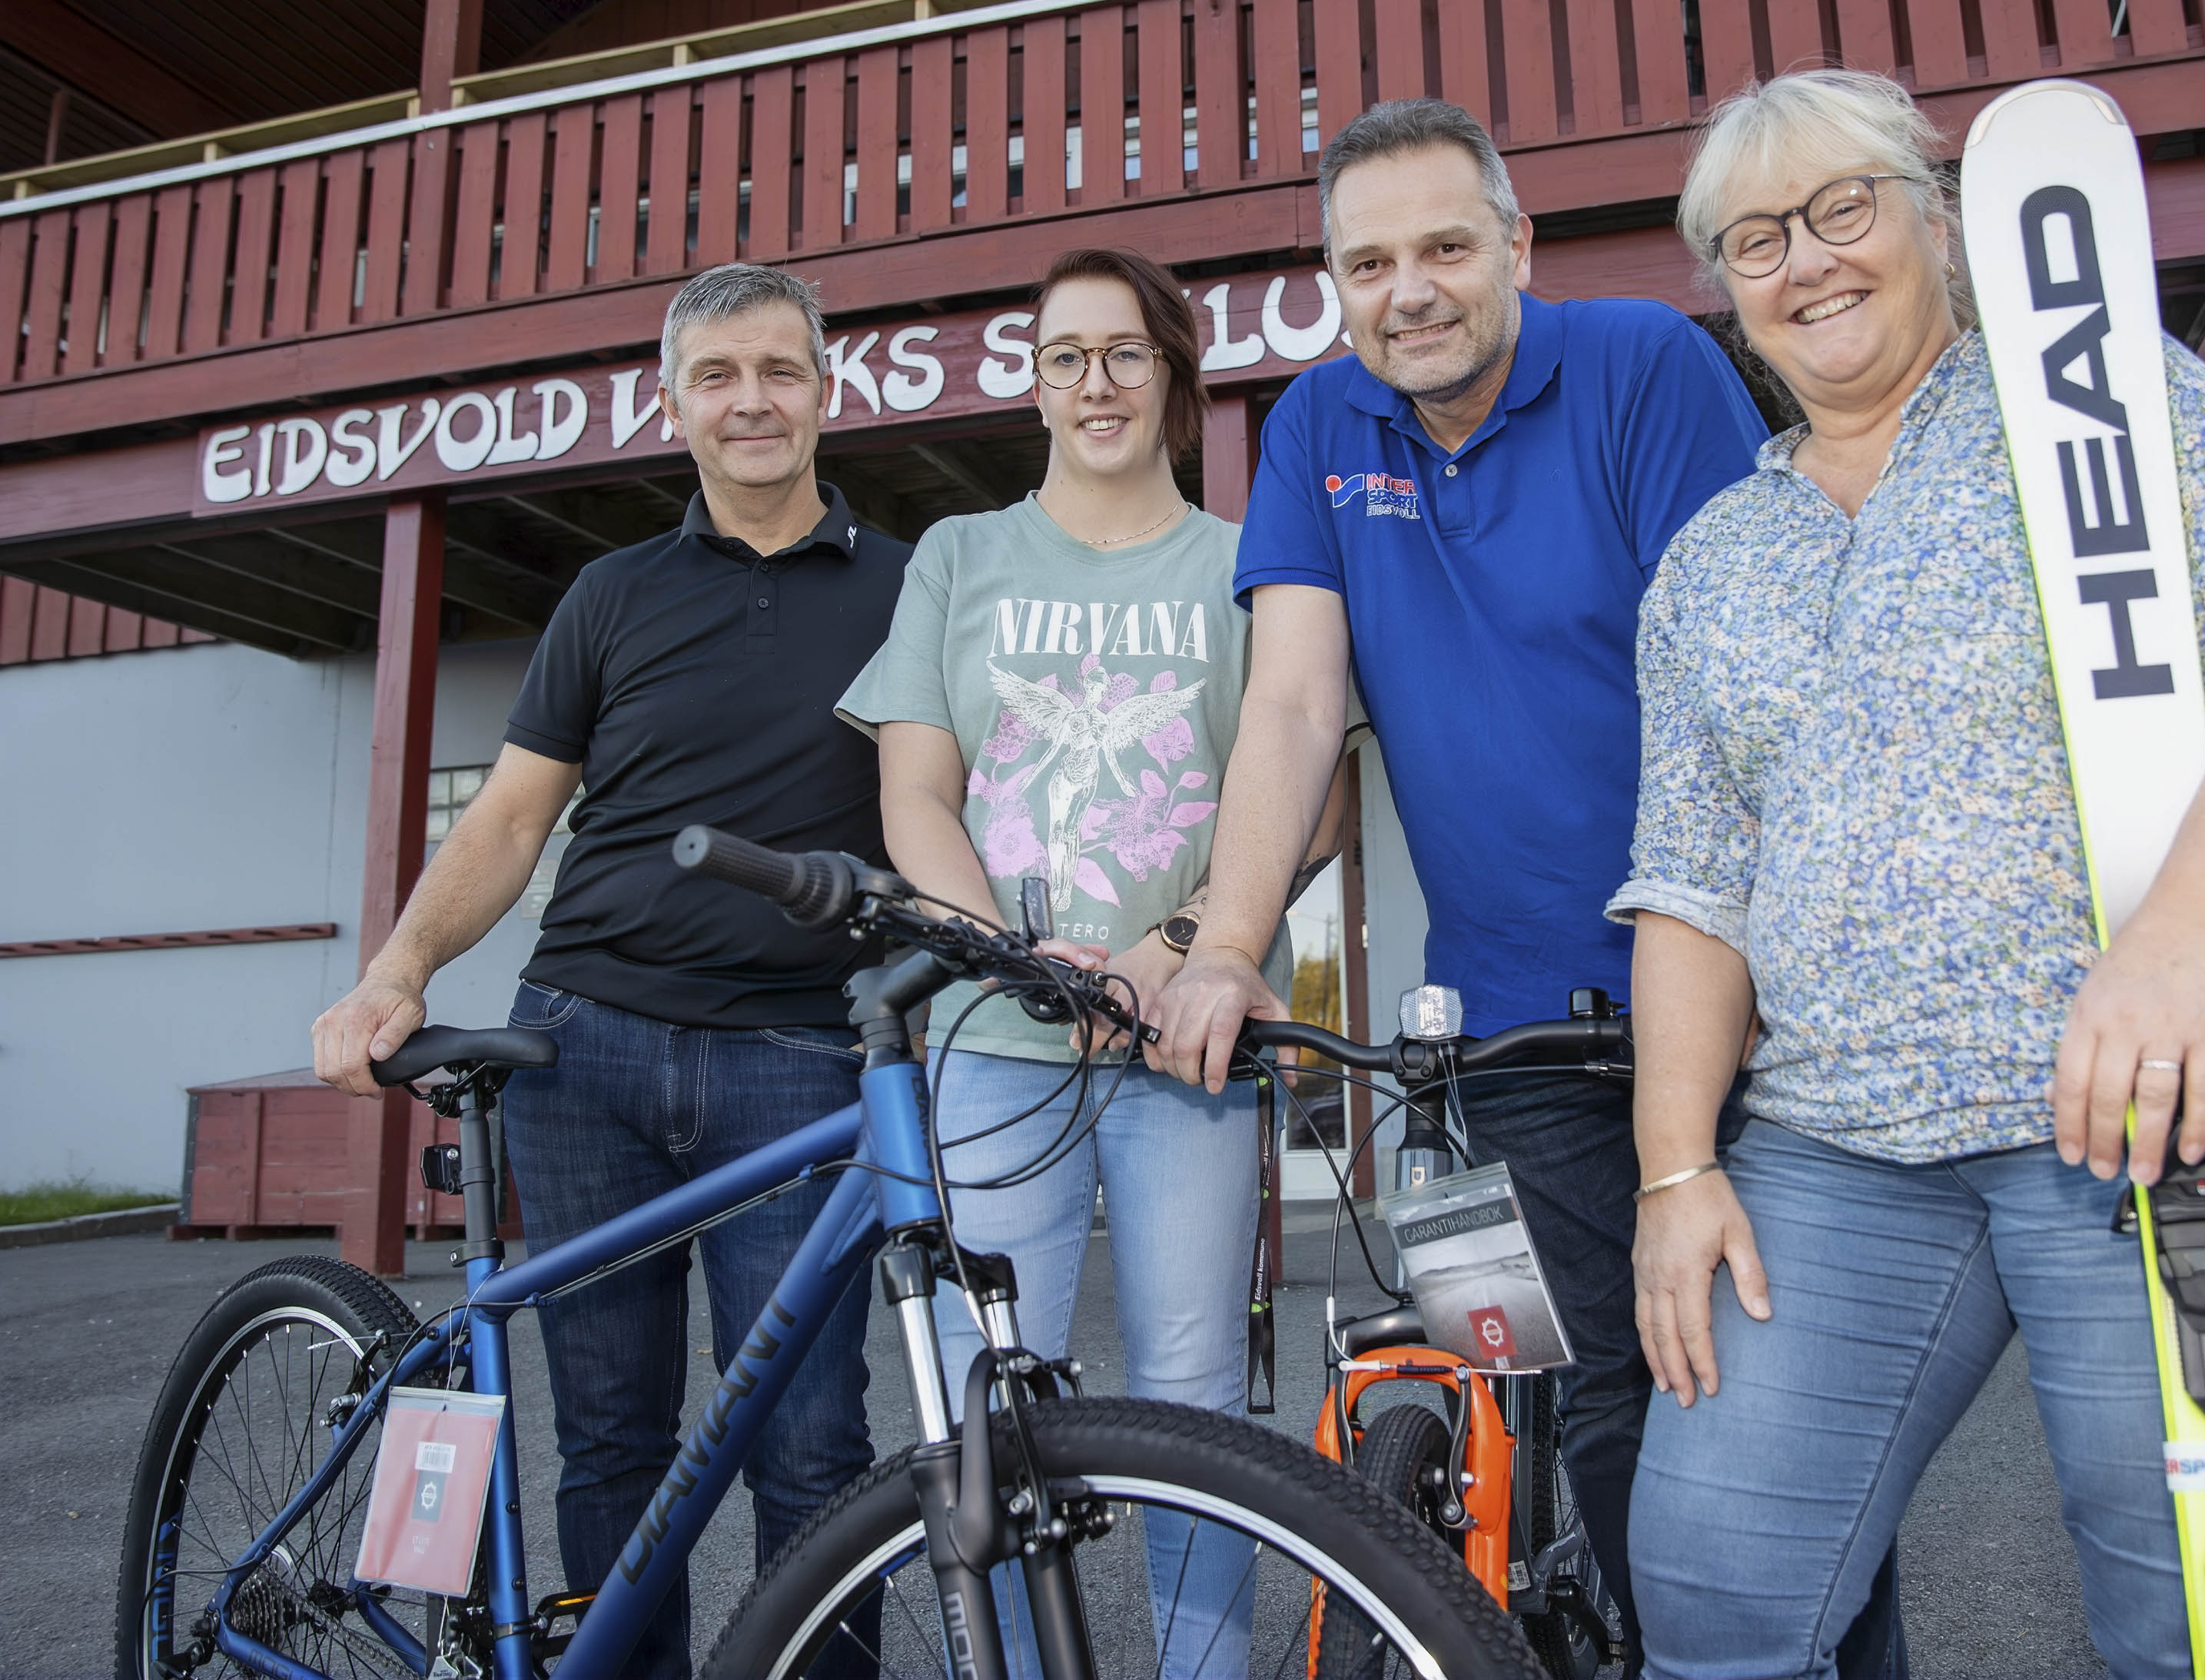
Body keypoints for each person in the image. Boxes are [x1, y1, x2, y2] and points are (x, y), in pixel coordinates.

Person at [1614, 68, 2205, 1680]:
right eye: (1756, 236)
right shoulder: (1715, 560)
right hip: (1847, 1146)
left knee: (2202, 1621)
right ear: (1725, 292)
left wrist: (2184, 936)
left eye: (1844, 208)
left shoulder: (2104, 407)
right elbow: (1690, 884)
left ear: (1935, 222)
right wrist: (1671, 1171)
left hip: (2171, 1110)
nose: (1807, 260)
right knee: (1713, 1589)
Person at [1151, 96, 1904, 1675]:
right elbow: (1295, 706)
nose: (1406, 290)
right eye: (1368, 263)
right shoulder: (1315, 429)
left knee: (1773, 1411)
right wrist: (1227, 942)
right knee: (1615, 1395)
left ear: (1517, 245)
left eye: (1442, 247)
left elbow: (1735, 673)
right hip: (1517, 1019)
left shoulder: (1638, 366)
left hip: (1745, 995)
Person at [311, 263, 906, 1678]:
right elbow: (513, 817)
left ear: (829, 389)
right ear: (673, 404)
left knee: (814, 1441)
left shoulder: (914, 582)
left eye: (778, 369)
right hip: (585, 1054)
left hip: (806, 1065)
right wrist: (394, 967)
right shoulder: (611, 590)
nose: (750, 400)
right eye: (717, 376)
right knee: (613, 1438)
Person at [836, 246, 1345, 1679]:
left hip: (1184, 1046)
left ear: (1173, 379)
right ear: (1036, 383)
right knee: (980, 1406)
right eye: (1066, 355)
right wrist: (1012, 953)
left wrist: (1170, 950)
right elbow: (915, 793)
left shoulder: (1246, 564)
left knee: (1194, 1402)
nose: (1096, 382)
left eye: (1126, 352)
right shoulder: (961, 555)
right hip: (994, 1045)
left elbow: (1312, 799)